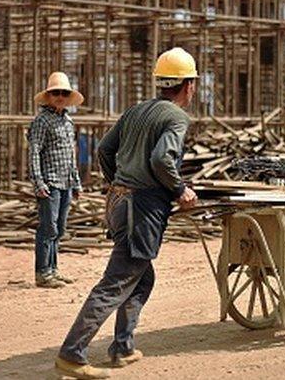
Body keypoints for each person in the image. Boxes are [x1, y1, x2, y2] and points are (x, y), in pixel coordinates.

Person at [54, 47, 200, 379]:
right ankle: (72, 354)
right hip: (141, 208)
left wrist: (120, 182)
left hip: (119, 202)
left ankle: (122, 347)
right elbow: (162, 160)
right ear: (188, 85)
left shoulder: (136, 110)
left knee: (141, 277)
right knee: (117, 280)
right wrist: (179, 190)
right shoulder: (176, 117)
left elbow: (106, 149)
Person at [28, 71, 85, 289]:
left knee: (59, 228)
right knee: (47, 228)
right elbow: (34, 153)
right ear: (49, 96)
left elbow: (71, 155)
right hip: (50, 182)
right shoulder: (42, 121)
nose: (60, 96)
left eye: (63, 93)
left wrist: (76, 182)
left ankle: (53, 269)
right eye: (55, 93)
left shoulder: (68, 122)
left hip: (65, 183)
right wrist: (38, 183)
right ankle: (43, 273)